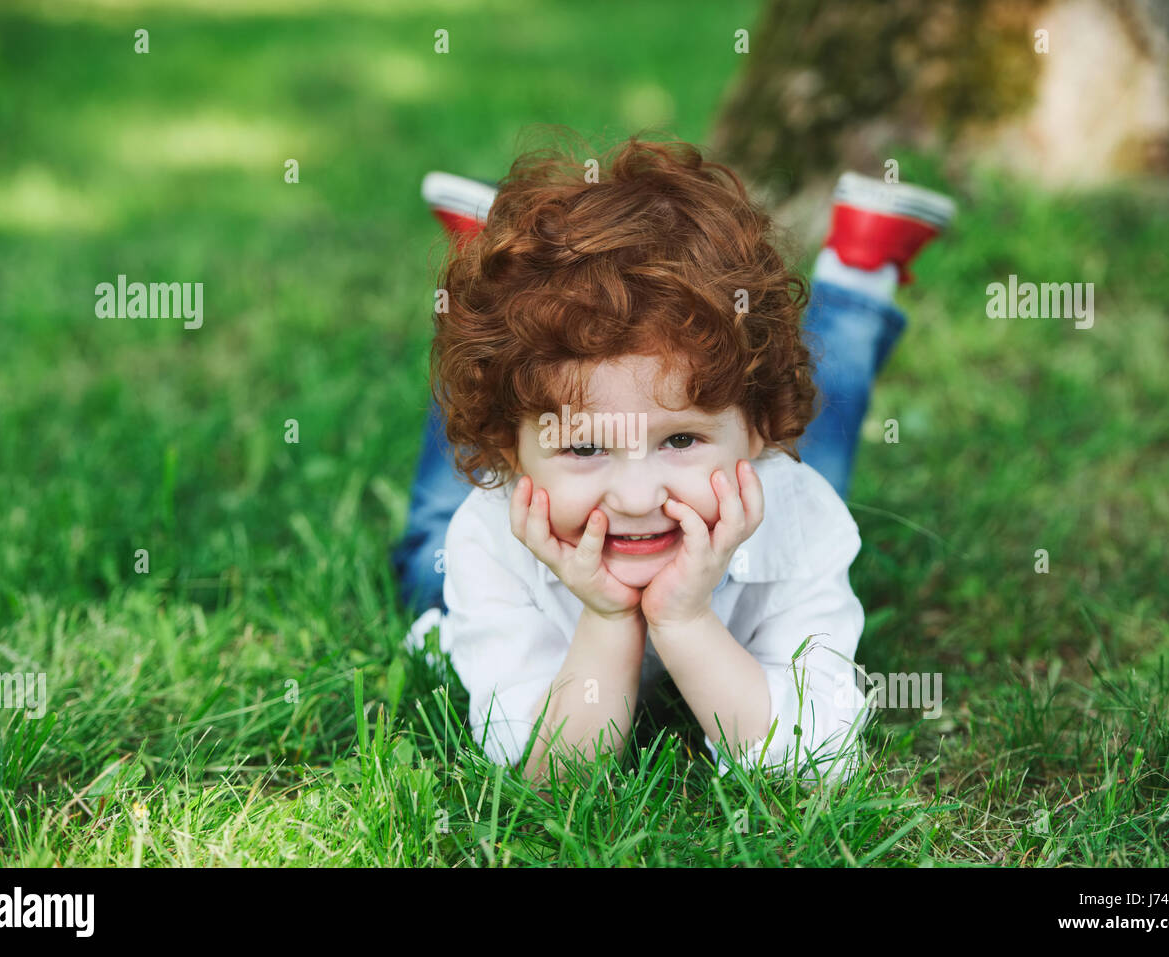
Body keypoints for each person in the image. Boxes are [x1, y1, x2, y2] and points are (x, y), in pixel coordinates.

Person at [390, 137, 954, 785]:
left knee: (814, 463)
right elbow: (547, 778)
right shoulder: (490, 536)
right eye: (583, 446)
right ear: (509, 457)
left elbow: (812, 758)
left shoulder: (796, 511)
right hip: (507, 518)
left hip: (764, 493)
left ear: (763, 431)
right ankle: (482, 262)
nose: (636, 498)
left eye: (680, 440)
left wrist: (683, 618)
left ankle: (861, 268)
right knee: (426, 566)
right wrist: (607, 618)